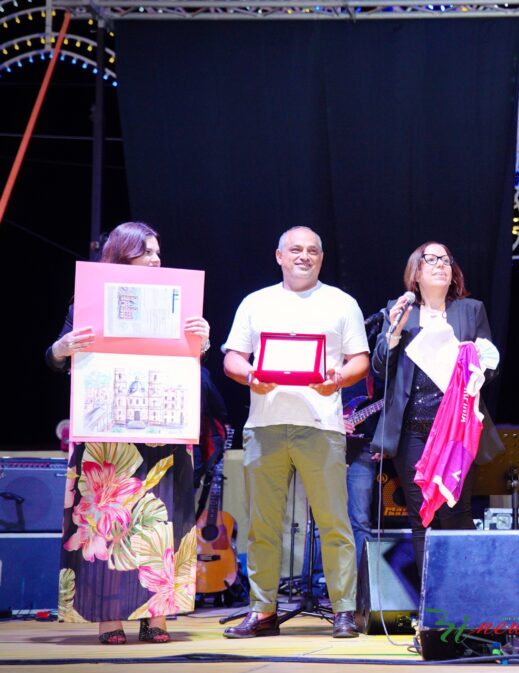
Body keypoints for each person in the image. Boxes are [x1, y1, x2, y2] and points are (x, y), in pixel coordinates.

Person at [47, 222, 211, 644]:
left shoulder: (178, 300)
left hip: (162, 429)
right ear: (122, 255)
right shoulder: (89, 300)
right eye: (148, 252)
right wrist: (63, 348)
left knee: (162, 523)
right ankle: (109, 620)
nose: (157, 259)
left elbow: (187, 358)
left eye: (158, 252)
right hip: (106, 433)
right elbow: (54, 355)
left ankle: (158, 618)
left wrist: (202, 340)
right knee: (105, 526)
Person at [221, 226, 369, 639]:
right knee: (262, 526)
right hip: (265, 426)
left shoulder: (341, 303)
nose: (304, 256)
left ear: (321, 258)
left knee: (333, 522)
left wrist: (338, 378)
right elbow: (233, 357)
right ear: (279, 256)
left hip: (320, 427)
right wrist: (250, 374)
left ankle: (343, 610)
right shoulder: (257, 302)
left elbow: (360, 359)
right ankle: (262, 611)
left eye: (312, 251)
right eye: (295, 250)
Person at [370, 241, 503, 577]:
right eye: (432, 260)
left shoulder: (470, 310)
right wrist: (394, 332)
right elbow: (380, 369)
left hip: (457, 431)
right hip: (412, 432)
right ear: (416, 272)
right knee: (422, 518)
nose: (441, 265)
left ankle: (465, 597)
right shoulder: (399, 310)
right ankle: (433, 606)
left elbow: (491, 365)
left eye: (446, 260)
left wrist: (474, 366)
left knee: (456, 512)